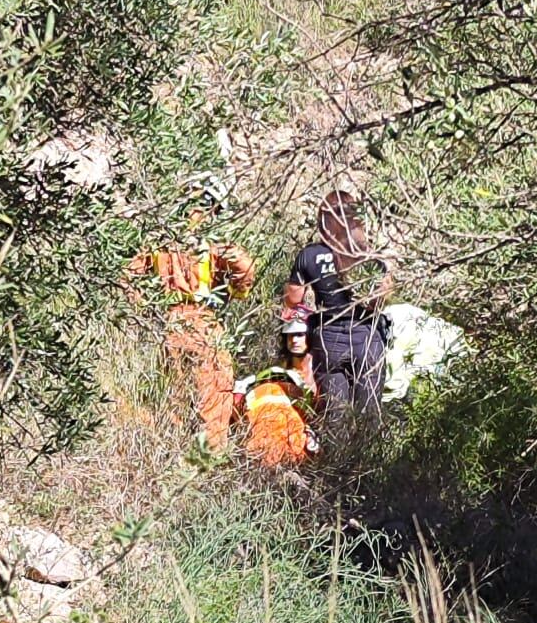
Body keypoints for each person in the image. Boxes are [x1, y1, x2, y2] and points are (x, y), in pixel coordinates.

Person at [128, 177, 254, 451]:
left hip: (169, 326)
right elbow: (245, 267)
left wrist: (142, 310)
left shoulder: (159, 239)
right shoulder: (211, 241)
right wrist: (233, 292)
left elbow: (130, 275)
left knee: (174, 396)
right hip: (203, 325)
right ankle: (210, 459)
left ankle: (171, 453)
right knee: (215, 396)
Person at [284, 189, 390, 422]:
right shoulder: (370, 255)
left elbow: (293, 301)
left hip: (328, 339)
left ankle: (335, 458)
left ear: (323, 222)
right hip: (366, 337)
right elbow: (380, 299)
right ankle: (367, 458)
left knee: (335, 416)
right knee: (369, 417)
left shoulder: (310, 255)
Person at [235, 313, 318, 468]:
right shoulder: (278, 372)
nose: (294, 340)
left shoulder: (321, 370)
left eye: (300, 335)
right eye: (290, 336)